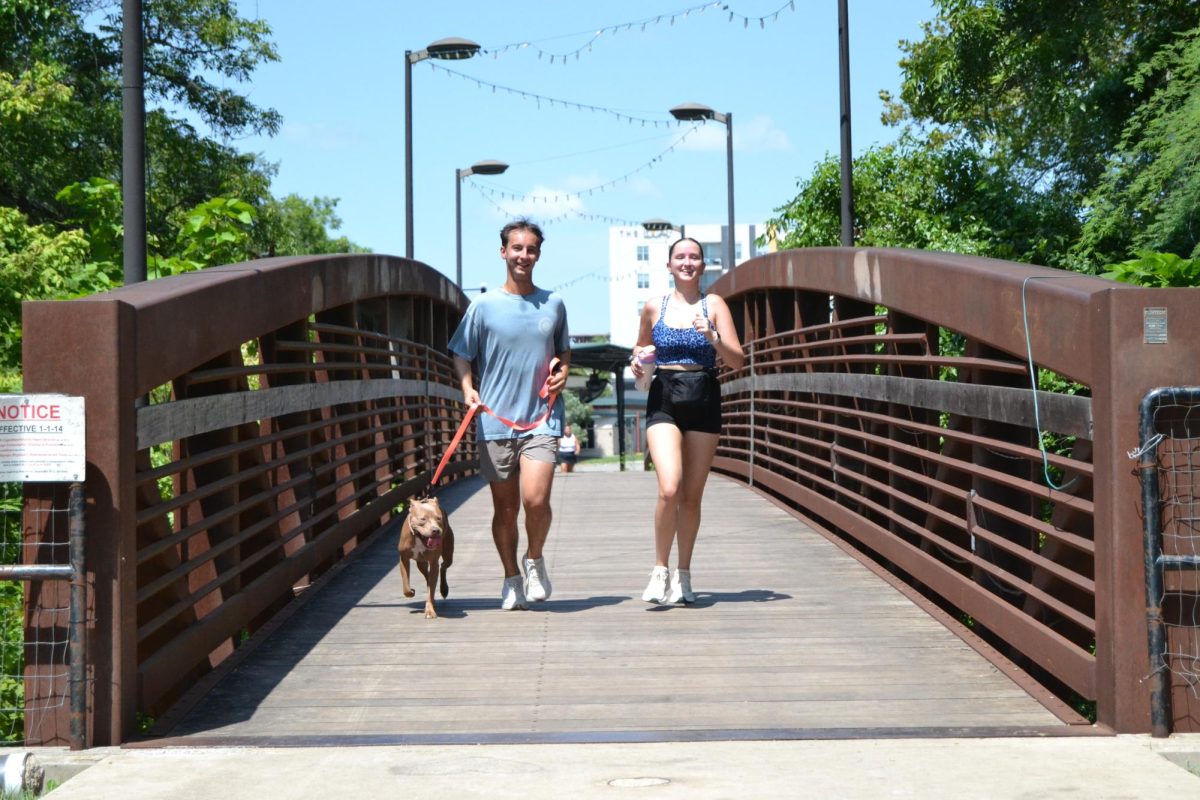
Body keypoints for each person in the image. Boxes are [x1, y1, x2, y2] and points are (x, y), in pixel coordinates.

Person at [448, 219, 571, 610]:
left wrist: (563, 372)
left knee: (536, 500)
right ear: (503, 252)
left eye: (531, 249)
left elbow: (564, 351)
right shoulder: (482, 306)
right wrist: (468, 390)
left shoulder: (553, 303)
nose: (523, 255)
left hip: (541, 418)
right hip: (495, 420)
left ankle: (534, 559)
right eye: (516, 248)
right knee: (505, 508)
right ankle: (510, 578)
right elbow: (461, 353)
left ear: (538, 254)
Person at [629, 237, 744, 605]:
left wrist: (712, 337)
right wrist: (638, 360)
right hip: (664, 394)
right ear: (669, 265)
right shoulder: (653, 306)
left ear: (703, 265)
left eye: (694, 257)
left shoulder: (715, 305)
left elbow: (737, 359)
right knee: (669, 487)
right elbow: (641, 346)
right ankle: (659, 570)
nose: (688, 262)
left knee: (692, 497)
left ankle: (684, 574)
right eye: (680, 257)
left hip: (704, 393)